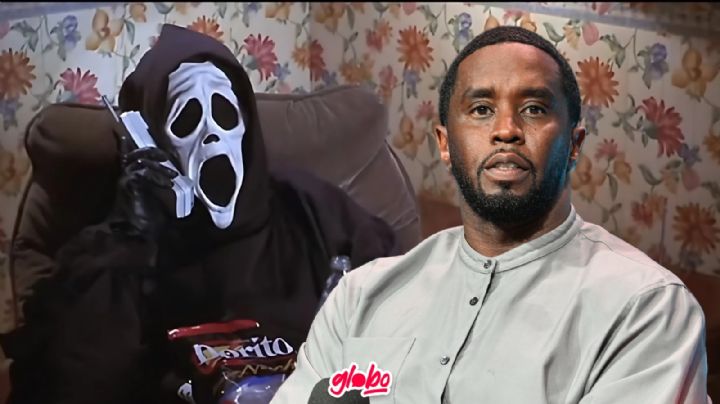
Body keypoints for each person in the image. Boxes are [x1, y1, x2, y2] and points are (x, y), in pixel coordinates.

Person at [270, 26, 709, 404]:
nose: (506, 130)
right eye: (481, 109)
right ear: (445, 144)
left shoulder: (646, 309)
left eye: (533, 109)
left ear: (574, 145)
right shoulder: (360, 297)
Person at [0, 24, 399, 404]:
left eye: (225, 113)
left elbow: (407, 314)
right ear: (153, 143)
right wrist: (129, 241)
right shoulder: (120, 253)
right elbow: (66, 385)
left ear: (247, 128)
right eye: (187, 119)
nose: (212, 133)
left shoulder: (310, 210)